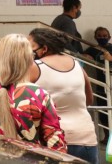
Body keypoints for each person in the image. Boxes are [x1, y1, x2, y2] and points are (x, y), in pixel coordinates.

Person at [27, 28, 98, 163]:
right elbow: (89, 99)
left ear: (44, 48)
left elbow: (20, 102)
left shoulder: (35, 67)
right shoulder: (76, 63)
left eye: (31, 47)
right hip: (87, 137)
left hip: (55, 141)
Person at [83, 27, 112, 143]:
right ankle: (107, 136)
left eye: (105, 36)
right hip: (102, 86)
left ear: (109, 36)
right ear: (95, 37)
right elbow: (82, 56)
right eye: (99, 36)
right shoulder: (92, 50)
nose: (102, 38)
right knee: (103, 113)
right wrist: (86, 56)